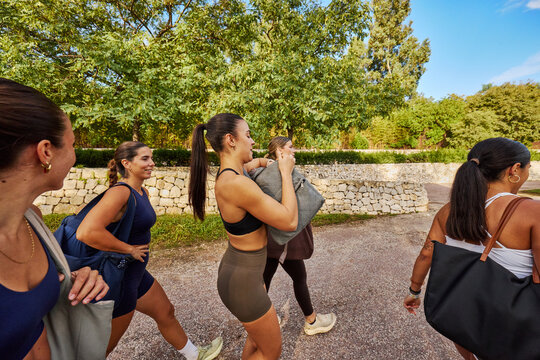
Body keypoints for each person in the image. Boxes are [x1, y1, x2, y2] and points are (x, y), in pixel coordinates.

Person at [76, 141, 222, 360]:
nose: (151, 163)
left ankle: (195, 355)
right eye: (144, 159)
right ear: (127, 163)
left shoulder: (140, 191)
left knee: (166, 312)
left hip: (136, 274)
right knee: (103, 347)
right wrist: (129, 249)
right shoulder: (121, 193)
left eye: (151, 158)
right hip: (121, 280)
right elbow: (86, 232)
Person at [0, 78, 110, 359]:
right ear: (46, 151)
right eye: (72, 144)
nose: (74, 156)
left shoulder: (31, 220)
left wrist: (73, 278)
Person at [403, 137, 540, 360]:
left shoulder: (448, 211)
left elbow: (426, 253)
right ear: (514, 170)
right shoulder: (531, 212)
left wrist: (414, 291)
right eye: (528, 168)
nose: (527, 175)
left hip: (465, 320)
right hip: (513, 326)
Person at [189, 113, 298, 360]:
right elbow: (289, 220)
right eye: (247, 135)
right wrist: (284, 172)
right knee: (271, 352)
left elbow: (248, 167)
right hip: (242, 281)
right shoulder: (235, 184)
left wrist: (260, 161)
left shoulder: (234, 173)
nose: (252, 141)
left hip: (244, 272)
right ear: (231, 140)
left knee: (257, 340)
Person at [261, 136, 337, 335]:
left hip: (272, 236)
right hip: (285, 238)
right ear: (279, 152)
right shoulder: (281, 173)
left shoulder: (266, 172)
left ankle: (263, 319)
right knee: (299, 277)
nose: (293, 151)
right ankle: (311, 321)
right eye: (290, 148)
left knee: (265, 277)